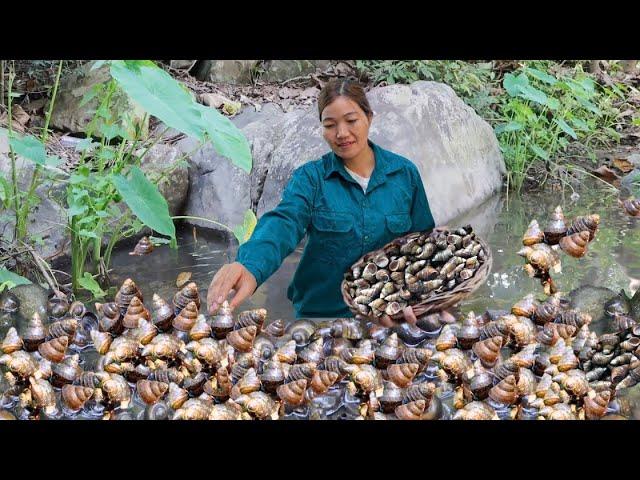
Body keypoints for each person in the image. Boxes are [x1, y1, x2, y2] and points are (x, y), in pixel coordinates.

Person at [207, 78, 436, 326]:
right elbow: (284, 222)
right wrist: (250, 266)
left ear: (369, 117)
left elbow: (424, 246)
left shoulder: (404, 175)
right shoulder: (311, 178)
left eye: (351, 121)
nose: (342, 133)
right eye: (330, 124)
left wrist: (420, 298)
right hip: (320, 317)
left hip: (386, 316)